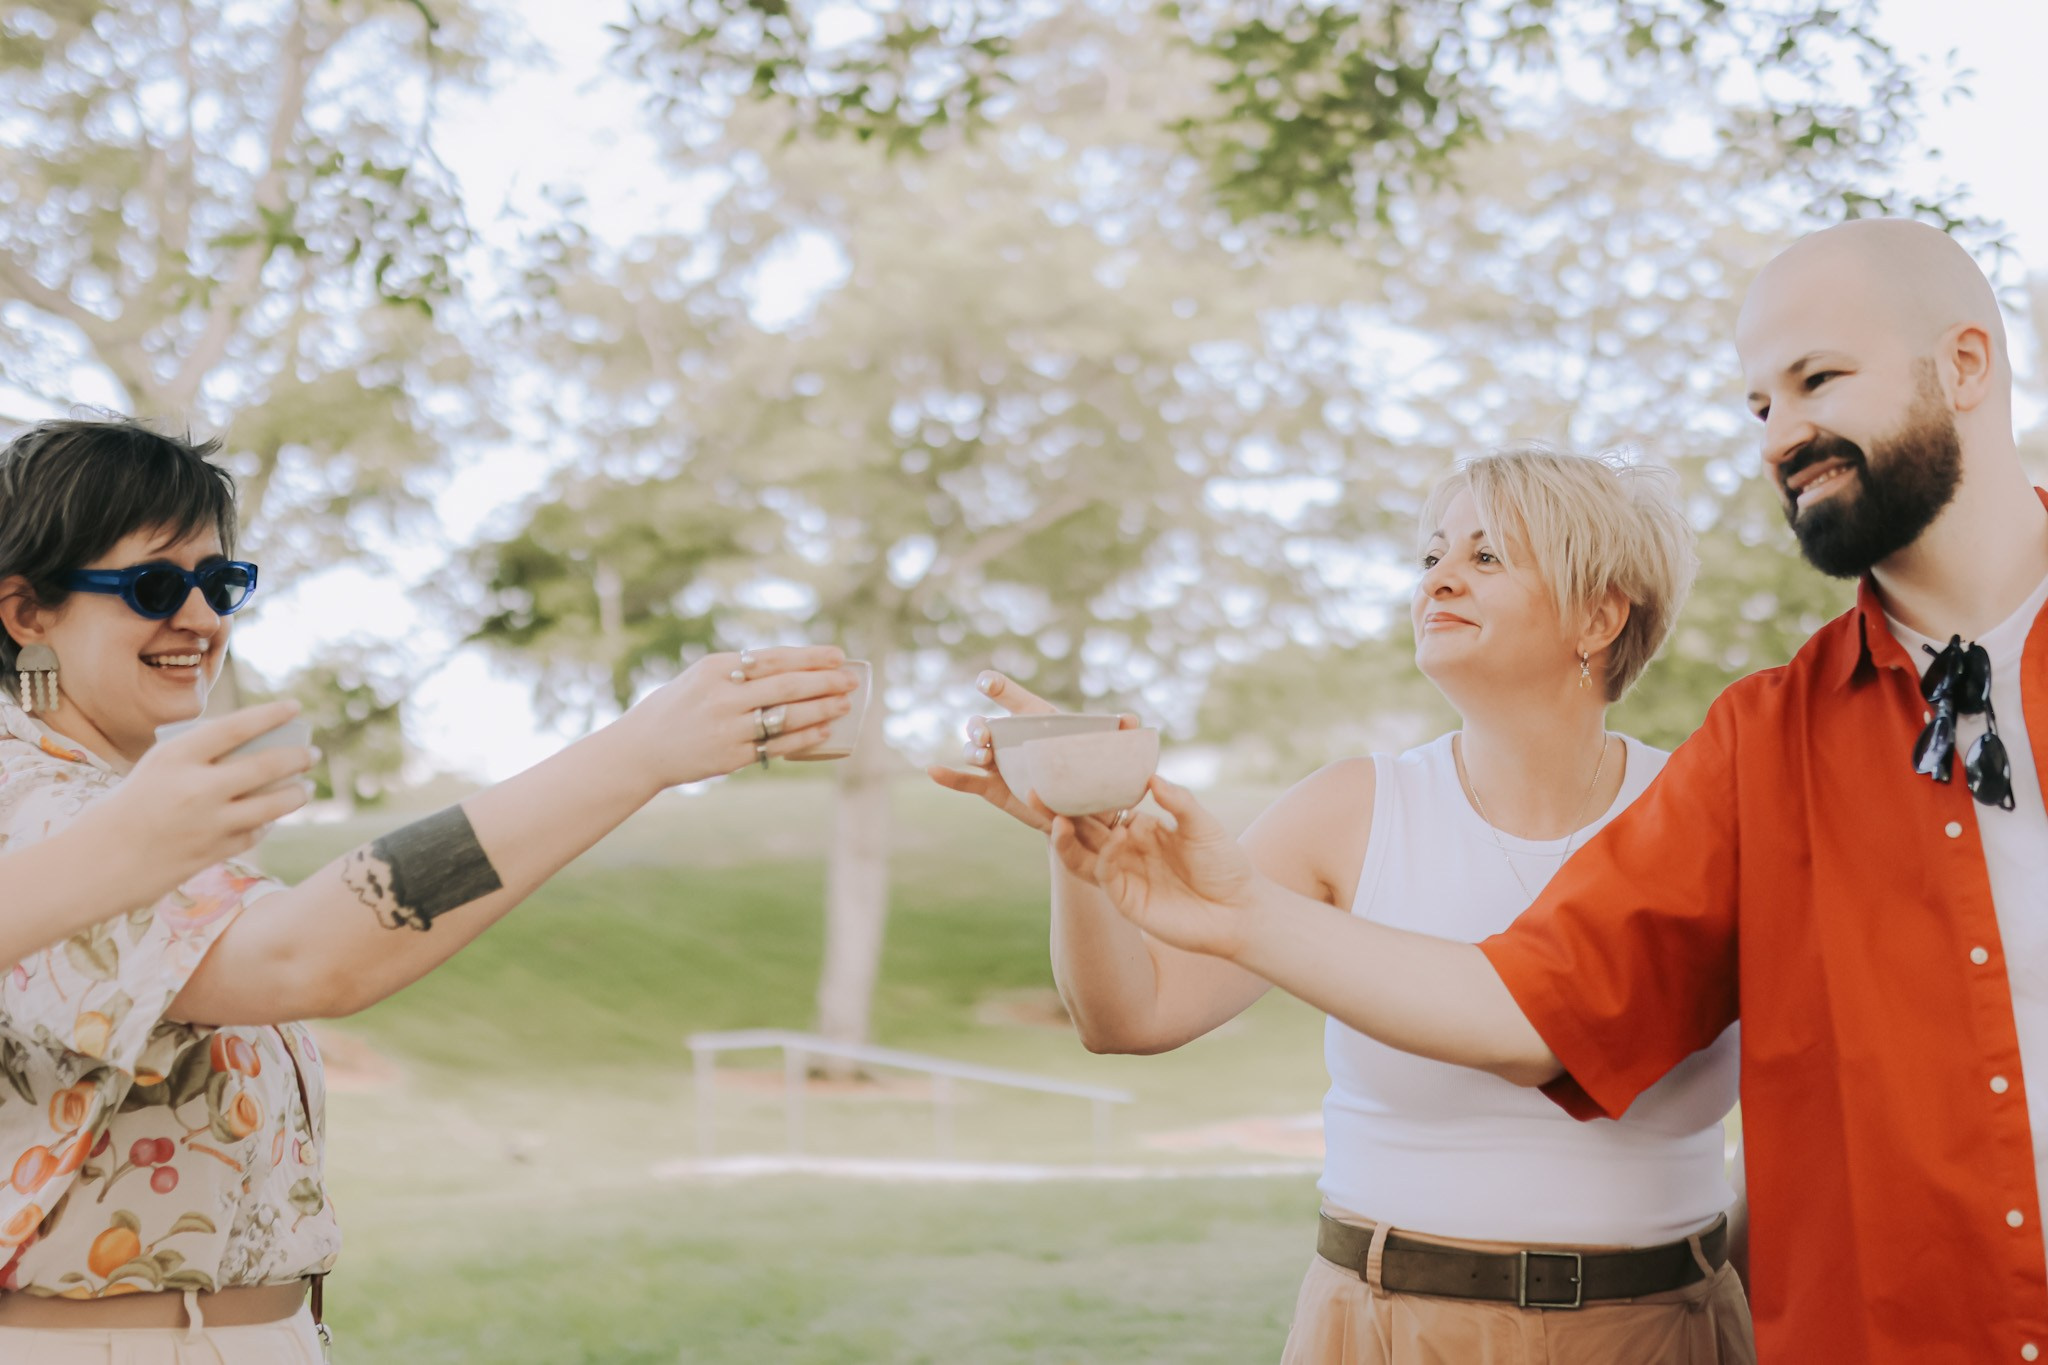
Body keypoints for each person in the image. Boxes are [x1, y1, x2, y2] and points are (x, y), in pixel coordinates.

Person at [1037, 218, 2048, 1364]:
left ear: (1964, 364)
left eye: (1816, 378)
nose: (1781, 433)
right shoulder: (1763, 752)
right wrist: (1233, 908)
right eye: (1757, 406)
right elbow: (1535, 1013)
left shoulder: (1704, 774)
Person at [0, 416, 860, 1360]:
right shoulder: (30, 799)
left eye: (221, 582)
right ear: (25, 612)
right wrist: (640, 753)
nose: (203, 619)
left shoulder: (119, 804)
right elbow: (305, 954)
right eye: (155, 585)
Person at [934, 448, 1754, 1361]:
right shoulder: (1351, 809)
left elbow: (1796, 1106)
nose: (1440, 577)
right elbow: (1132, 1013)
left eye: (1486, 558)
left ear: (1600, 615)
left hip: (1660, 1331)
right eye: (1431, 556)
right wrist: (1077, 832)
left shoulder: (1711, 818)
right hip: (1384, 1325)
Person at [1, 701, 317, 968]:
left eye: (224, 620)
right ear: (28, 624)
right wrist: (123, 839)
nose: (204, 624)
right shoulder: (25, 790)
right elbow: (293, 962)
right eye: (151, 620)